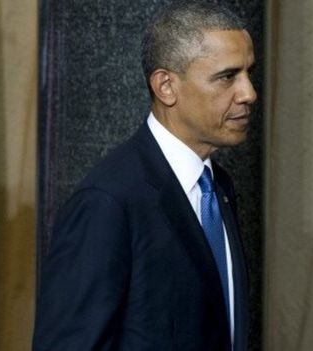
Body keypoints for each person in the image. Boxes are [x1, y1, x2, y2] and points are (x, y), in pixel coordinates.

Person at [32, 1, 255, 350]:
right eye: (228, 77)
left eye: (248, 74)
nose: (248, 94)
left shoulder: (219, 187)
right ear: (166, 86)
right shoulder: (107, 201)